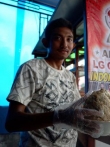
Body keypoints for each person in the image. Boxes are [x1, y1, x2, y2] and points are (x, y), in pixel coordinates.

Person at [5, 18, 103, 147]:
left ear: (73, 45)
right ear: (46, 42)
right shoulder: (31, 68)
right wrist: (58, 117)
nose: (64, 44)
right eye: (57, 38)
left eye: (69, 39)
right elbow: (12, 122)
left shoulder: (70, 76)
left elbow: (75, 112)